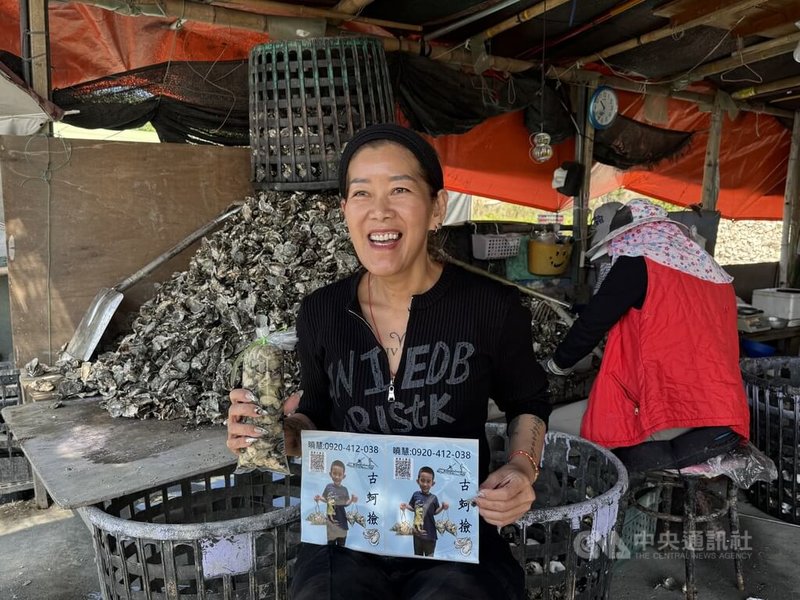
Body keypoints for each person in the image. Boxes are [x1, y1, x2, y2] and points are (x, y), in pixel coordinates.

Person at [226, 123, 550, 600]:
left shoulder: (490, 308)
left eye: (400, 189)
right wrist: (280, 433)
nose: (380, 210)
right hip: (346, 532)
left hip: (452, 530)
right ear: (345, 211)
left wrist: (523, 467)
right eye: (361, 194)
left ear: (437, 207)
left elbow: (528, 398)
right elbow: (314, 409)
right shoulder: (322, 312)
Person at [547, 199, 749, 471]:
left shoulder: (639, 263)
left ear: (629, 237)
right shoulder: (715, 274)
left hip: (672, 411)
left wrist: (557, 364)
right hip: (724, 409)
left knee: (546, 424)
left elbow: (591, 325)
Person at [399, 466, 449, 557]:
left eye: (428, 481)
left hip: (430, 534)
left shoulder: (434, 498)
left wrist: (442, 507)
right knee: (418, 556)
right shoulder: (415, 495)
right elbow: (413, 508)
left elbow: (435, 512)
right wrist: (405, 506)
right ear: (418, 481)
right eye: (422, 480)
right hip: (417, 534)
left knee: (429, 557)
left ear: (433, 483)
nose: (425, 484)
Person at [314, 459, 358, 546]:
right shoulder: (328, 487)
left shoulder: (344, 489)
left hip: (342, 519)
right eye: (334, 474)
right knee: (331, 543)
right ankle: (331, 557)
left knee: (341, 544)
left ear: (343, 476)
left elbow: (346, 503)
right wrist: (319, 498)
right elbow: (326, 499)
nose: (337, 477)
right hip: (331, 521)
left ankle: (340, 557)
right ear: (330, 474)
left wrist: (352, 500)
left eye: (339, 474)